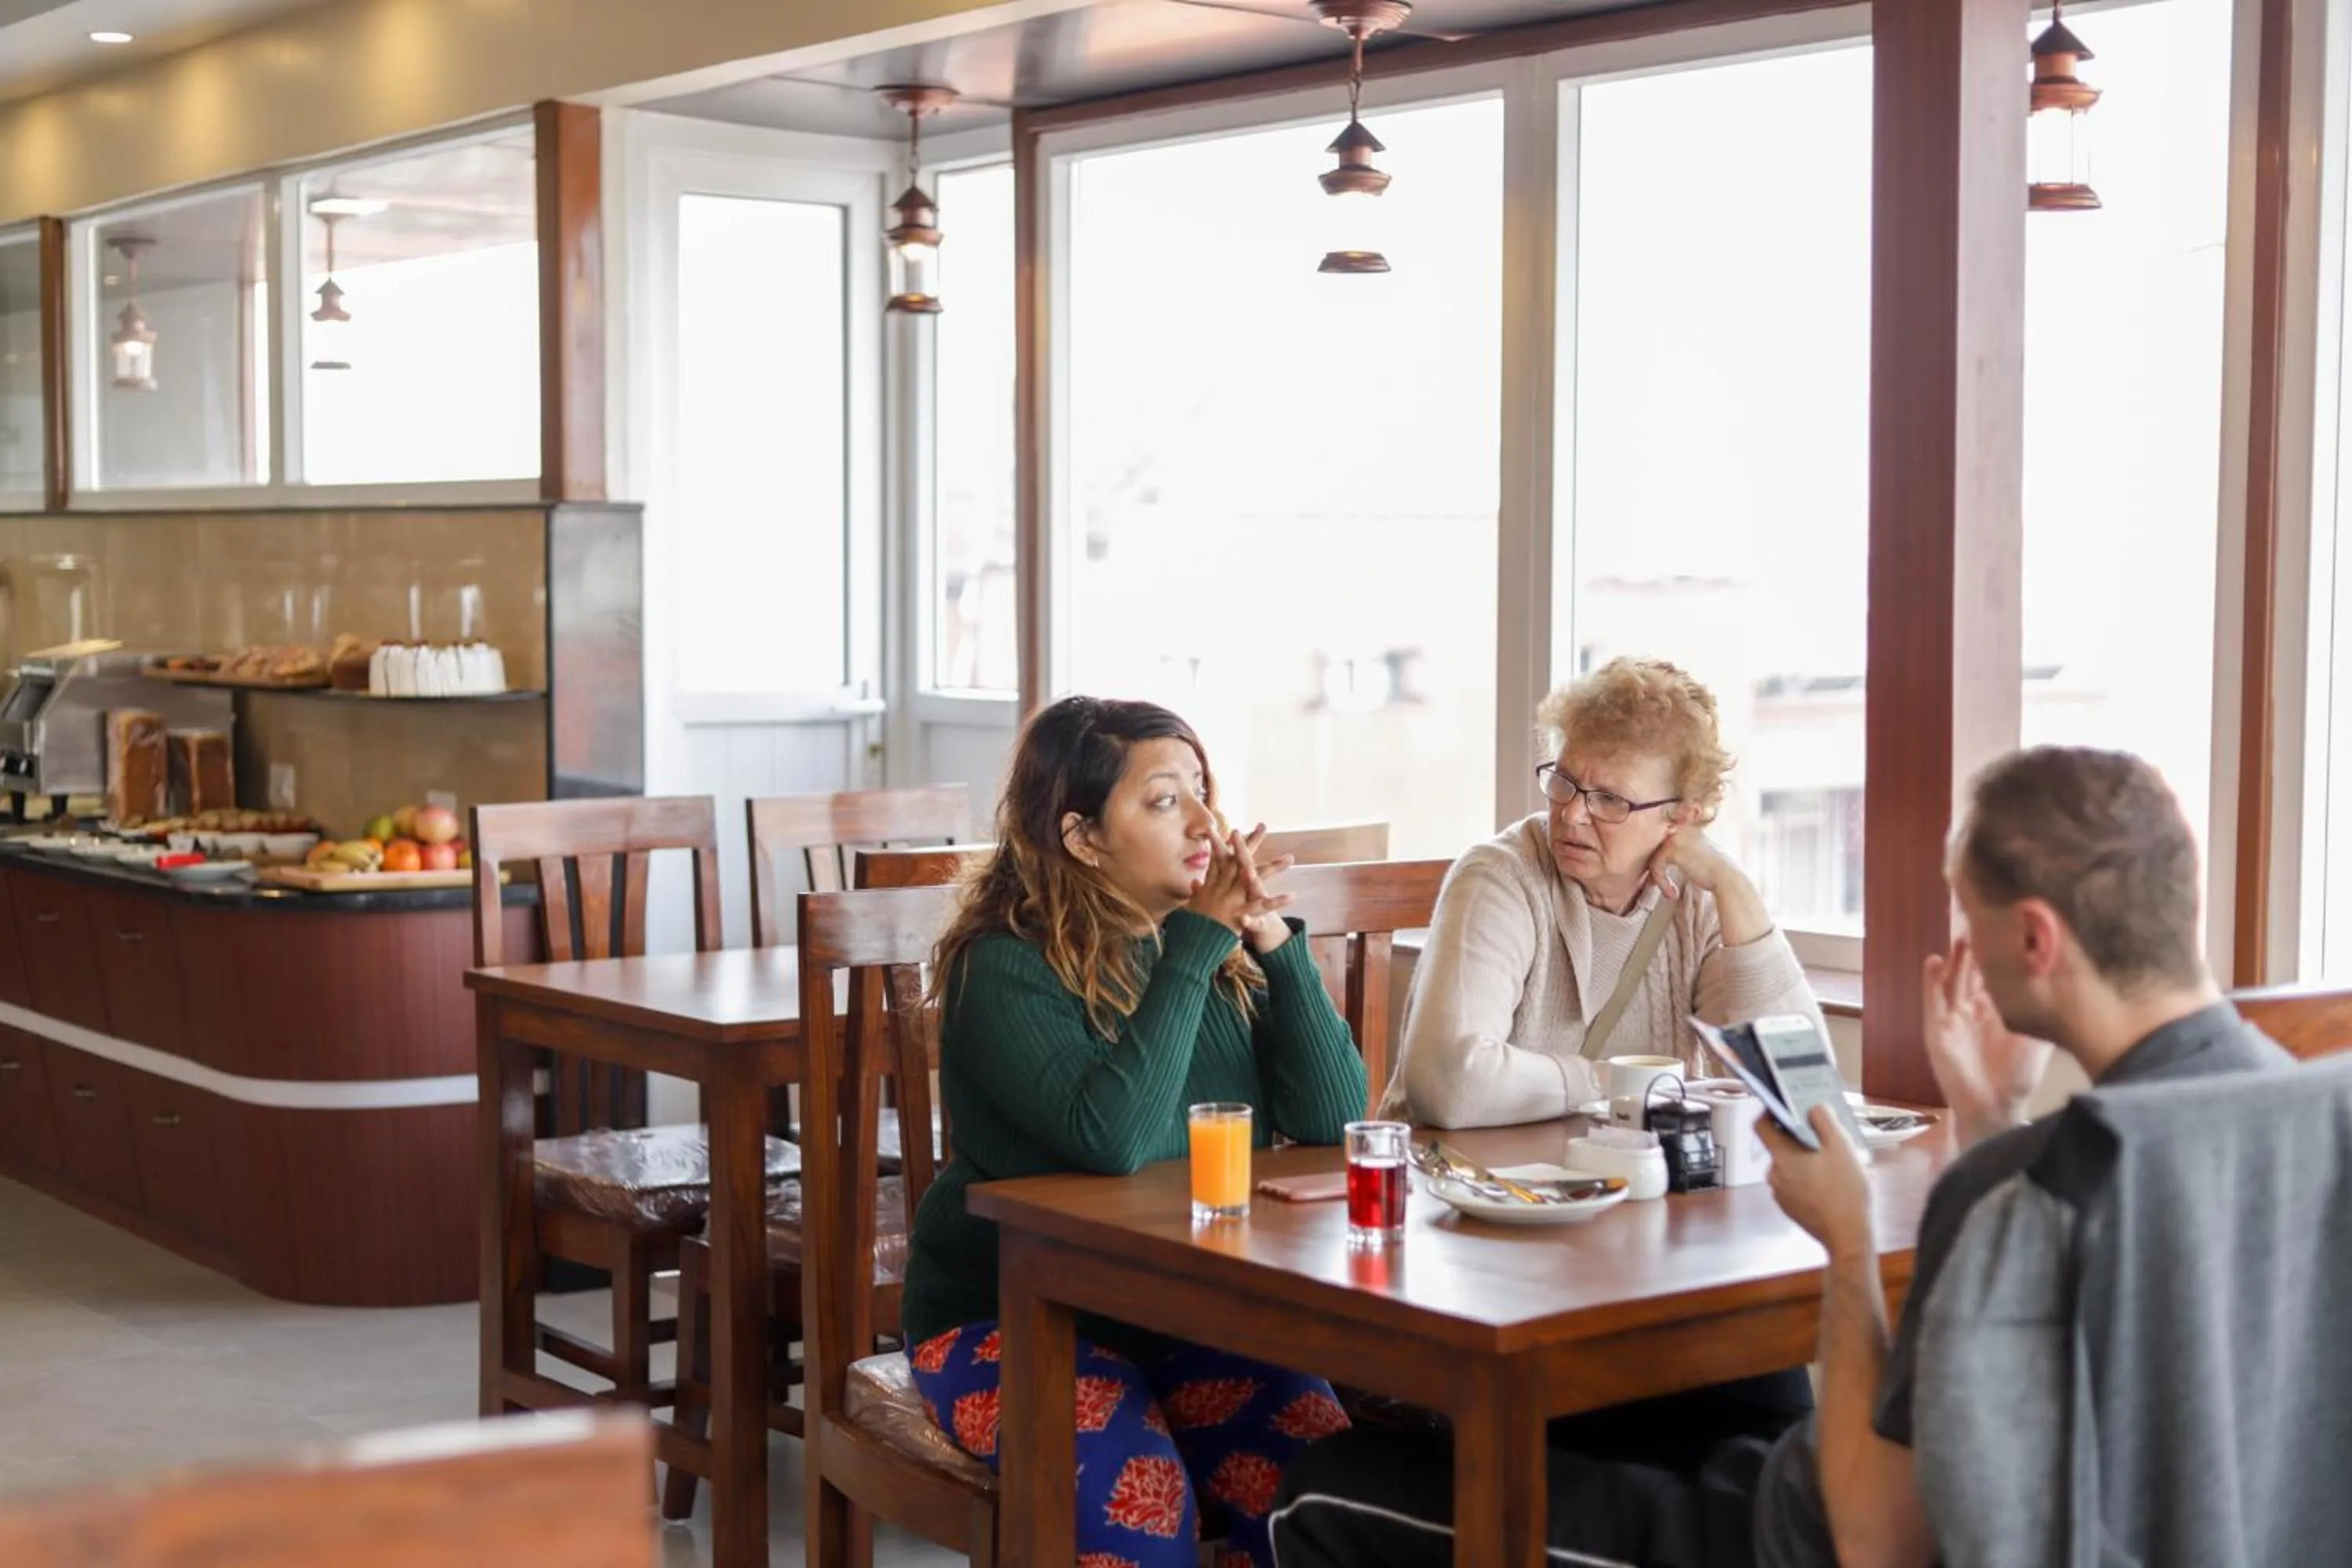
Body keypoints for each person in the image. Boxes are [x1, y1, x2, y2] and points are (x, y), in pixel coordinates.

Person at [1271, 745, 2293, 1568]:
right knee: (1686, 1405)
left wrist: (1848, 1238)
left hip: (1785, 1537)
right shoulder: (2287, 1114)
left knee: (1327, 1482)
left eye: (1966, 920)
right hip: (1828, 1475)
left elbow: (1878, 1540)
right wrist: (1991, 1112)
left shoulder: (2042, 1185)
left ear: (2034, 939)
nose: (1958, 949)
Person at [899, 695, 1370, 1568]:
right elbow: (1112, 1138)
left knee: (1329, 1496)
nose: (1206, 822)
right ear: (1081, 836)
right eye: (1163, 800)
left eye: (1203, 790)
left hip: (1186, 1310)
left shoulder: (1216, 955)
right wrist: (1196, 943)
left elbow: (1336, 1120)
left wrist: (1273, 940)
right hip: (1010, 1319)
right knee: (1142, 1508)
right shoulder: (1001, 963)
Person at [1384, 656, 1824, 1129]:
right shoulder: (1500, 879)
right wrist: (1612, 1082)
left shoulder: (1698, 901)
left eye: (1610, 799)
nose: (1572, 814)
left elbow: (1803, 1092)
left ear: (1679, 818)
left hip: (1629, 1187)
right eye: (1565, 782)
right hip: (1474, 1187)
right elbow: (1451, 1085)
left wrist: (1736, 889)